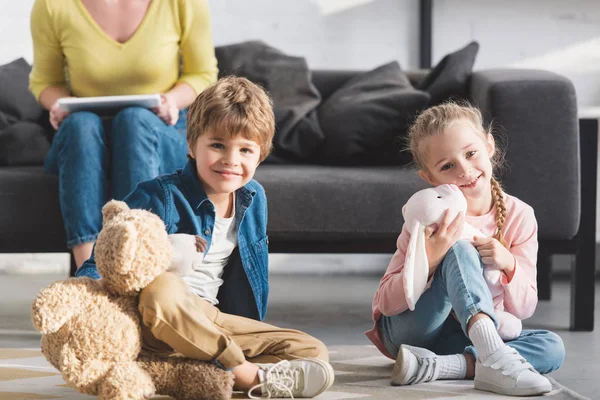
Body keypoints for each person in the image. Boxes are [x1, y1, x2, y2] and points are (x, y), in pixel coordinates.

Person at [76, 77, 335, 398]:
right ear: (191, 144)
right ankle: (240, 373)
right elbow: (102, 259)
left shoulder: (254, 197)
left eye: (245, 150)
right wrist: (85, 304)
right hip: (154, 317)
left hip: (209, 321)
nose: (231, 160)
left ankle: (190, 366)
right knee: (162, 286)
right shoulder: (159, 195)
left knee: (311, 352)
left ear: (261, 155)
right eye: (217, 145)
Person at [365, 102, 565, 396]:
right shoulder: (429, 215)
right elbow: (385, 303)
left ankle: (449, 366)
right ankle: (491, 358)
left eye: (471, 154)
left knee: (552, 347)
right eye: (448, 166)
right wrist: (430, 260)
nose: (465, 170)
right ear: (431, 178)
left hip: (459, 341)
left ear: (489, 145)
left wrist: (509, 264)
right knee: (460, 249)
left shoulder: (520, 216)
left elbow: (523, 309)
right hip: (413, 334)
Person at [29, 0, 219, 268]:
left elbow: (203, 74)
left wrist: (172, 101)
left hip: (156, 129)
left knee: (133, 120)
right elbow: (45, 83)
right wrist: (59, 105)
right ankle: (91, 273)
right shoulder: (52, 6)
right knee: (80, 124)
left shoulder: (182, 3)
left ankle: (138, 264)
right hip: (86, 136)